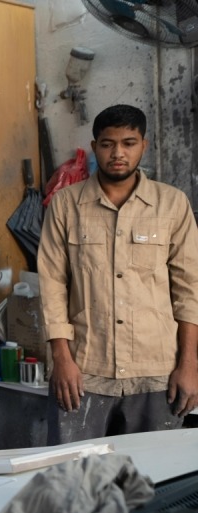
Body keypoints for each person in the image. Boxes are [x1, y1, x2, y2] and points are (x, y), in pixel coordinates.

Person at [38, 103, 198, 445]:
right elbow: (52, 285)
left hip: (156, 372)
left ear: (144, 145)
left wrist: (189, 364)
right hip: (84, 371)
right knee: (76, 472)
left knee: (154, 475)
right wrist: (61, 359)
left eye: (129, 143)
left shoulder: (172, 204)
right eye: (108, 144)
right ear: (94, 147)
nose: (118, 153)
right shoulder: (65, 205)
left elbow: (189, 289)